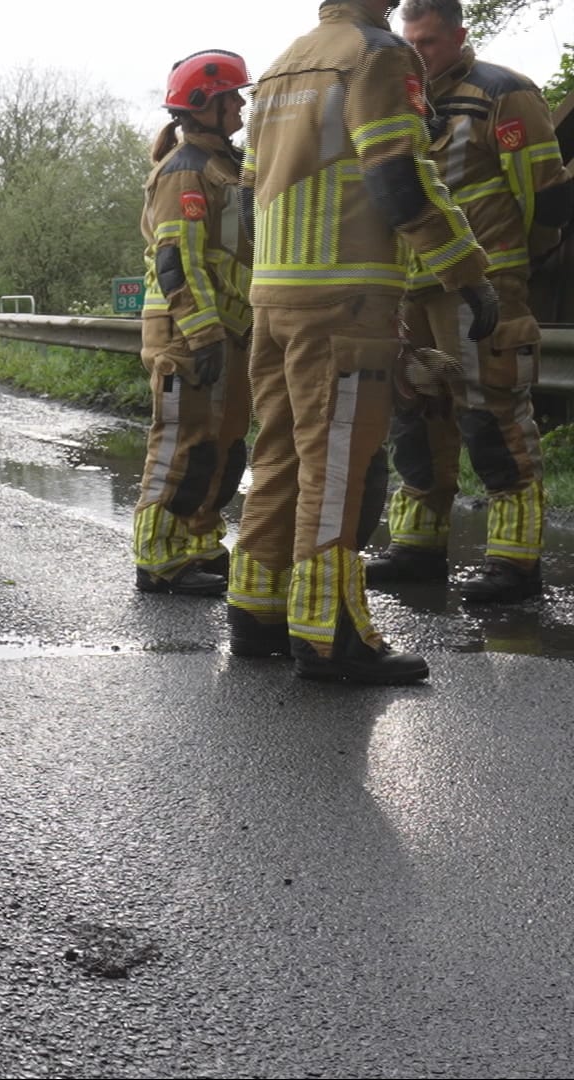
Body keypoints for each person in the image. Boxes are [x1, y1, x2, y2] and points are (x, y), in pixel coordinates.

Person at [233, 0, 496, 684]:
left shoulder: (280, 66)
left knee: (281, 451)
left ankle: (256, 608)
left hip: (274, 297)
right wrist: (468, 270)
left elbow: (244, 196)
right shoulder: (376, 54)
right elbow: (397, 175)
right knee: (338, 462)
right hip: (344, 299)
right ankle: (331, 634)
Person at [368, 0, 574, 603]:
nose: (418, 54)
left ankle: (514, 561)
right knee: (414, 415)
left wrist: (514, 270)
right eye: (410, 42)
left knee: (493, 415)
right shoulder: (401, 100)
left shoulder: (505, 94)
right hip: (413, 289)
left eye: (428, 42)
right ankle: (417, 548)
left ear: (460, 35)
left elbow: (545, 202)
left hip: (487, 285)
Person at [130, 51, 256, 597]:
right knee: (181, 447)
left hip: (225, 328)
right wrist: (203, 332)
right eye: (233, 95)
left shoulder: (224, 164)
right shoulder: (185, 170)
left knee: (222, 447)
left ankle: (200, 541)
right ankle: (157, 558)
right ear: (203, 104)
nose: (242, 103)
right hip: (188, 329)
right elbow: (177, 260)